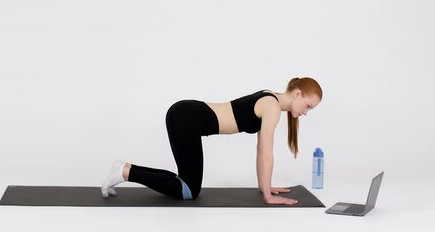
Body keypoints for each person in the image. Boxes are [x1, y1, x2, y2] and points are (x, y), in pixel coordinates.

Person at [100, 77, 323, 205]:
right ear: (297, 94)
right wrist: (267, 196)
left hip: (186, 115)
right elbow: (266, 151)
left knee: (186, 183)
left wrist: (264, 187)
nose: (306, 112)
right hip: (187, 119)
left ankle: (125, 169)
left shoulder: (270, 97)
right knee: (188, 190)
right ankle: (125, 172)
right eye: (308, 106)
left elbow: (260, 151)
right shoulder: (272, 107)